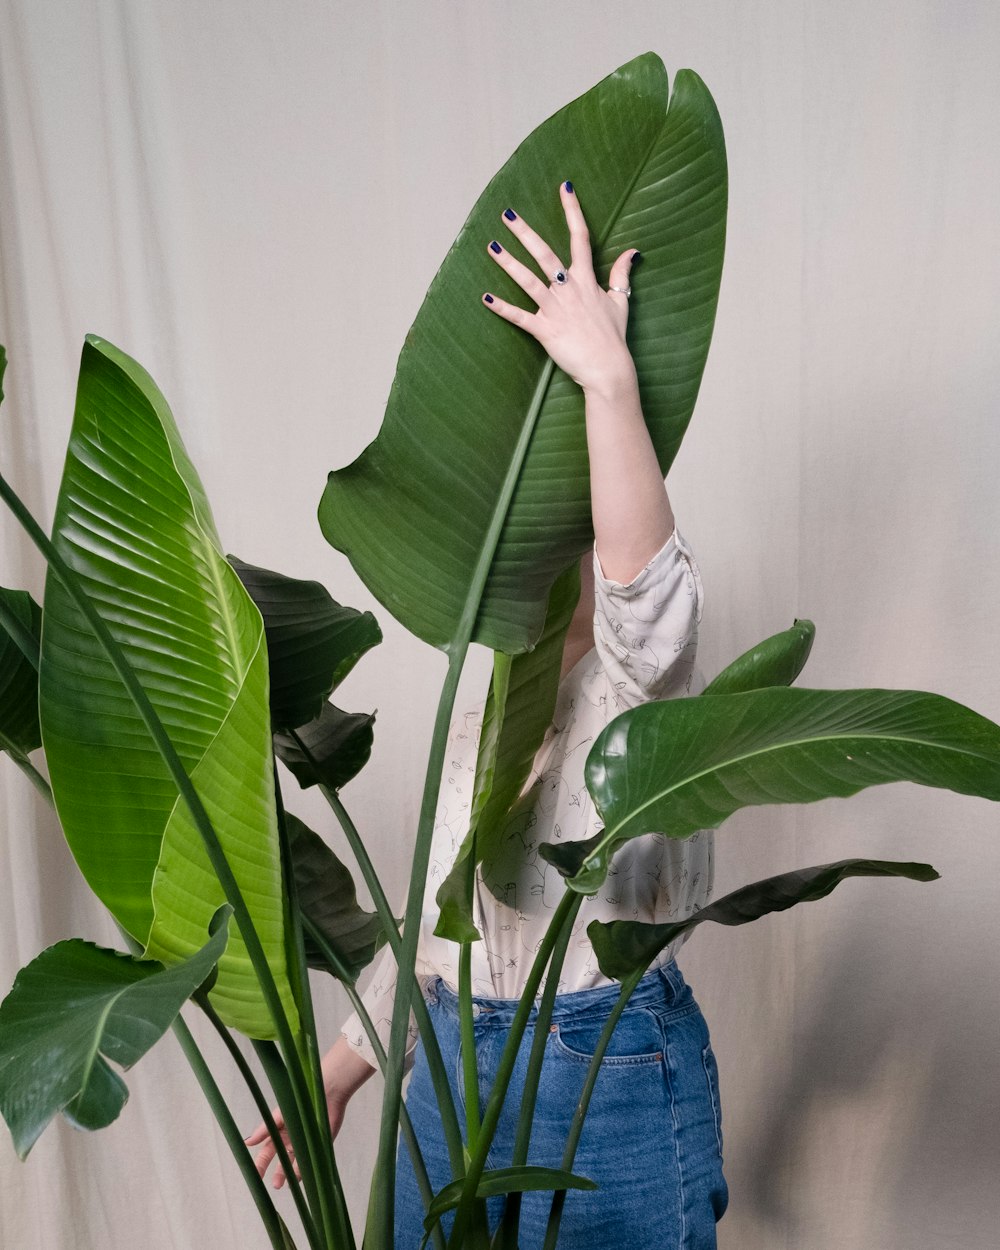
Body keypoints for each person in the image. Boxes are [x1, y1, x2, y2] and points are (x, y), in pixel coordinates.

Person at [248, 182, 728, 1248]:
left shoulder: (635, 676)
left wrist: (608, 382)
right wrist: (342, 1068)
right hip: (454, 1050)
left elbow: (649, 606)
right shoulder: (489, 690)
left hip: (603, 1059)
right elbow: (438, 907)